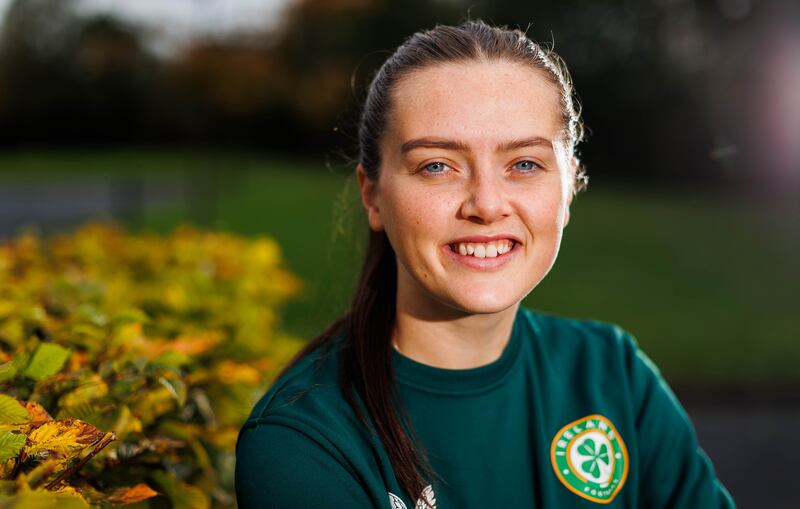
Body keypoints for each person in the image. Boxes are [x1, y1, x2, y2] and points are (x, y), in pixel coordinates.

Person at [235, 20, 736, 509]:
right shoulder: (303, 443)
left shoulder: (614, 376)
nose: (486, 203)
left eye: (524, 164)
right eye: (437, 165)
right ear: (373, 197)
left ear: (569, 187)